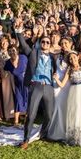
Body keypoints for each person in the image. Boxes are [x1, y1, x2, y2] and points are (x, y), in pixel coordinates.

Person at [15, 19, 57, 150]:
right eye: (43, 41)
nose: (45, 43)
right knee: (31, 114)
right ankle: (26, 139)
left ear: (50, 44)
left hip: (49, 86)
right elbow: (23, 44)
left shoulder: (53, 57)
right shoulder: (33, 52)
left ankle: (44, 134)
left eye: (47, 42)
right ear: (40, 43)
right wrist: (19, 31)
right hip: (36, 85)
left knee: (49, 115)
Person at [4, 45, 28, 127]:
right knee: (18, 101)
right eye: (10, 51)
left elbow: (30, 67)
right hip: (17, 85)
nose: (12, 52)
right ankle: (16, 121)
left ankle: (27, 120)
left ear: (17, 51)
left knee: (27, 101)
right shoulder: (7, 63)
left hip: (27, 84)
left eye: (13, 50)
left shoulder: (23, 58)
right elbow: (4, 72)